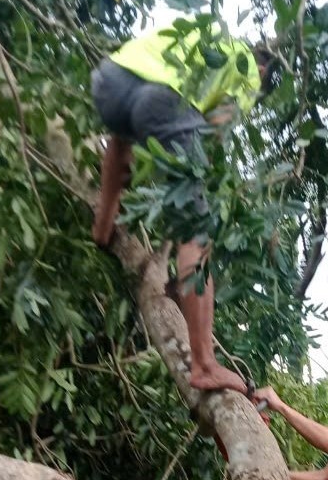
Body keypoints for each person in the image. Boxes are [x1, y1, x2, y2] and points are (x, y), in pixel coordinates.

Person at [91, 22, 272, 395]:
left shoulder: (208, 36)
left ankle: (103, 224)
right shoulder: (249, 70)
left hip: (108, 81)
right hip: (161, 101)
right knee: (197, 232)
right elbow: (210, 135)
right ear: (265, 68)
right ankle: (205, 364)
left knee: (121, 138)